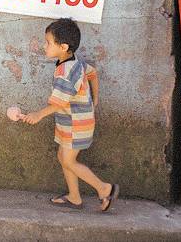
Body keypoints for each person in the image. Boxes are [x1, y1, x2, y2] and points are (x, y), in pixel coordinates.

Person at [21, 18, 119, 211]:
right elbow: (93, 74)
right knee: (63, 156)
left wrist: (38, 115)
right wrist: (95, 98)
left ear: (63, 46)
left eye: (48, 42)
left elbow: (60, 102)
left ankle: (105, 188)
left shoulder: (65, 72)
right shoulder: (76, 63)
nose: (44, 46)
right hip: (71, 122)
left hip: (76, 124)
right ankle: (74, 197)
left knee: (68, 160)